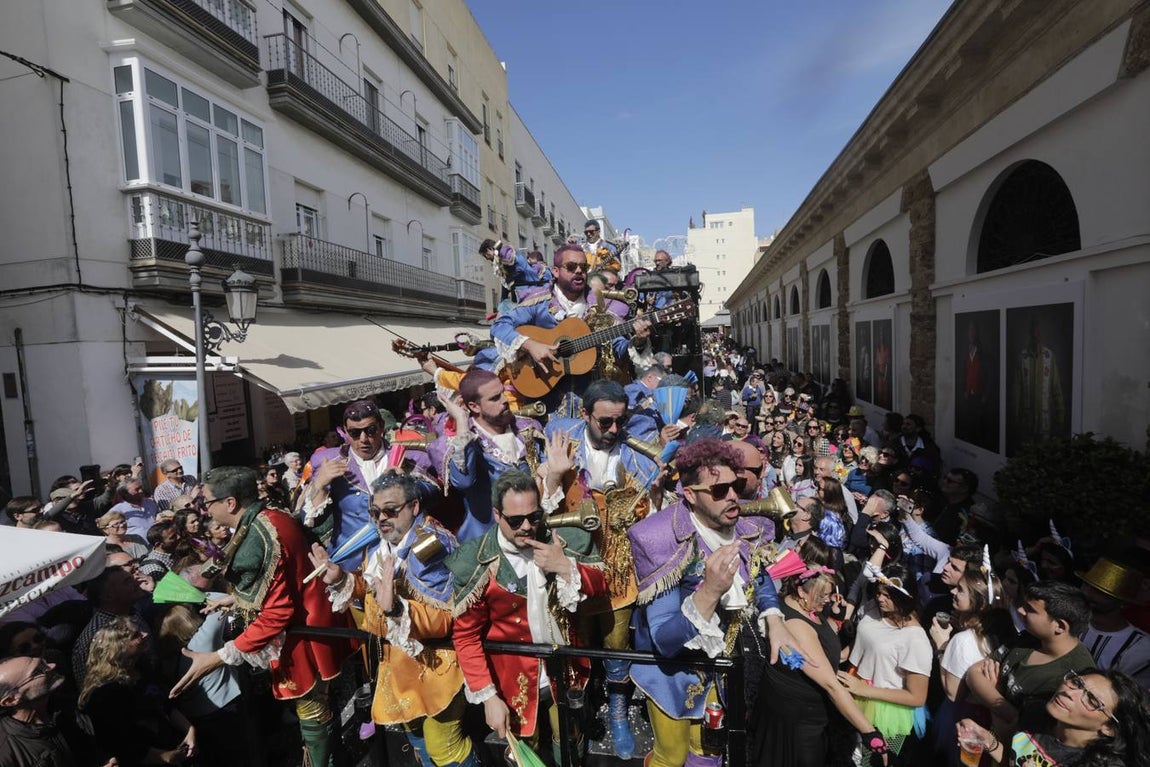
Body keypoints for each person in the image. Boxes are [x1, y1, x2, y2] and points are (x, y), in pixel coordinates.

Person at [627, 438, 800, 767]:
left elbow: (758, 573)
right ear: (690, 495)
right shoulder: (657, 537)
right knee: (672, 757)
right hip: (670, 672)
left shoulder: (744, 524)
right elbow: (664, 640)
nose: (733, 496)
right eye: (719, 490)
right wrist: (709, 592)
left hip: (721, 664)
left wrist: (774, 617)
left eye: (736, 485)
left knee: (710, 750)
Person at [170, 466, 356, 767]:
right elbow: (284, 576)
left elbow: (278, 613)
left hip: (302, 635)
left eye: (207, 503)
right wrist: (237, 598)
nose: (205, 510)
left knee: (312, 710)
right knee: (322, 705)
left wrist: (218, 657)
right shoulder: (271, 515)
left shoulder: (256, 540)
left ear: (230, 503)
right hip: (314, 619)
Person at [308, 474, 472, 767]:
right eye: (375, 512)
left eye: (390, 510)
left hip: (437, 664)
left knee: (443, 745)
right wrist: (342, 579)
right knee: (414, 733)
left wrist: (396, 609)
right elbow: (373, 590)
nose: (381, 519)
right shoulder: (379, 544)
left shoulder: (430, 547)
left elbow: (446, 617)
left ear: (414, 506)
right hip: (398, 664)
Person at [447, 469, 606, 764]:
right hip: (512, 679)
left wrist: (564, 566)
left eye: (534, 517)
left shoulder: (559, 539)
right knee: (524, 748)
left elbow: (600, 585)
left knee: (569, 736)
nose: (527, 527)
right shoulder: (478, 560)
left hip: (564, 668)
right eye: (515, 520)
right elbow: (466, 636)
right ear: (497, 515)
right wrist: (488, 697)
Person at [540, 380, 660, 758]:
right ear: (585, 415)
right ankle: (582, 712)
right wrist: (554, 475)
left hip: (618, 570)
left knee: (617, 644)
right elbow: (539, 507)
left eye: (620, 421)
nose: (613, 430)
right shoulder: (561, 444)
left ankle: (619, 713)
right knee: (575, 643)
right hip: (571, 565)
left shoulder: (637, 453)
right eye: (605, 422)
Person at [752, 539, 887, 767]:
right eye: (821, 596)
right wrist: (870, 732)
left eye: (828, 595)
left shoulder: (806, 609)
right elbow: (830, 684)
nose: (826, 600)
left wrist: (835, 619)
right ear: (801, 592)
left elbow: (826, 645)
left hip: (809, 718)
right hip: (796, 726)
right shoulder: (796, 625)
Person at [485, 244, 651, 411]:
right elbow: (499, 326)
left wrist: (638, 342)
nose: (579, 271)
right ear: (556, 271)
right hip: (544, 400)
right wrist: (530, 345)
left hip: (590, 402)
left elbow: (617, 347)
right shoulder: (539, 301)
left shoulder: (601, 306)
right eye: (571, 267)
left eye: (583, 267)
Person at [302, 399, 437, 567]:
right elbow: (311, 522)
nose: (363, 439)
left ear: (381, 427)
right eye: (355, 433)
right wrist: (320, 485)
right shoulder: (329, 461)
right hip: (352, 562)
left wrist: (408, 485)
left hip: (404, 558)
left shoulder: (408, 456)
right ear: (345, 432)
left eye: (370, 430)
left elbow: (435, 496)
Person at [966, 581, 1095, 736]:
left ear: (1060, 626)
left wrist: (996, 696)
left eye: (1030, 610)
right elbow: (974, 673)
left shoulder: (1074, 677)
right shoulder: (1029, 638)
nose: (1020, 611)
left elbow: (1023, 729)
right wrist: (1004, 706)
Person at [433, 369, 547, 542]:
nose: (505, 400)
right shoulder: (461, 441)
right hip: (487, 540)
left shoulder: (528, 428)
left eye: (503, 393)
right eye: (495, 398)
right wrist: (461, 421)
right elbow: (463, 481)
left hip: (533, 532)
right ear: (474, 406)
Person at [837, 561, 932, 764]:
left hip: (883, 709)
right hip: (853, 688)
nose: (880, 598)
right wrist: (840, 655)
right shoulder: (875, 607)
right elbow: (866, 640)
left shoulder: (915, 639)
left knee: (867, 761)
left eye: (888, 596)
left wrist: (865, 690)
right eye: (879, 592)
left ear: (905, 598)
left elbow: (917, 697)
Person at [956, 669, 1150, 767]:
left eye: (1092, 700)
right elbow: (1013, 759)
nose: (1070, 693)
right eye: (1077, 682)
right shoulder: (1036, 713)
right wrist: (988, 741)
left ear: (1109, 728)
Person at [80, 618, 196, 766]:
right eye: (136, 635)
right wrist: (165, 757)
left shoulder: (141, 669)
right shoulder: (105, 693)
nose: (145, 634)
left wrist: (189, 730)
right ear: (118, 647)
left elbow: (165, 705)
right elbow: (122, 744)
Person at [0, 654, 103, 767]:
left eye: (44, 662)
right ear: (11, 700)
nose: (52, 665)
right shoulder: (6, 753)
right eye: (38, 671)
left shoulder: (71, 707)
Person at [72, 549, 154, 689]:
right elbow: (90, 685)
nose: (136, 583)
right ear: (108, 595)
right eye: (127, 582)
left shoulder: (132, 612)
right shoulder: (96, 635)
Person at [1078, 557, 1150, 688]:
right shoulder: (1070, 619)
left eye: (1099, 591)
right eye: (1086, 585)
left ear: (1123, 602)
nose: (1088, 593)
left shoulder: (1138, 646)